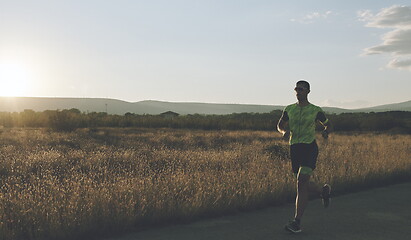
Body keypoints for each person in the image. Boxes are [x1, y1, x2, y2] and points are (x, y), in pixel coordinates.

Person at [277, 80, 331, 233]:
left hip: (309, 147)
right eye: (296, 88)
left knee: (301, 183)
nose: (297, 91)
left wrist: (326, 131)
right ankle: (322, 191)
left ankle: (296, 222)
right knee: (303, 184)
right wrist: (283, 132)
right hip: (294, 148)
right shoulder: (289, 109)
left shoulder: (315, 110)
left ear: (308, 91)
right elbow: (280, 124)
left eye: (301, 89)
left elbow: (328, 124)